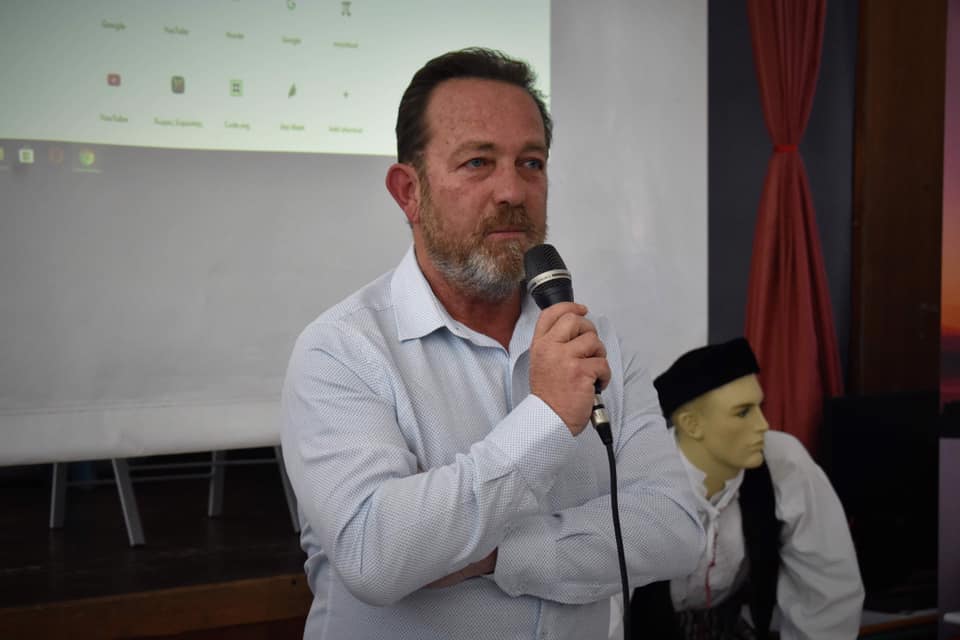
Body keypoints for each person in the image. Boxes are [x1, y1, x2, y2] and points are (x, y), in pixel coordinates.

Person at [280, 47, 704, 640]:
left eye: (531, 163)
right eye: (478, 162)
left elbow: (677, 528)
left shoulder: (593, 340)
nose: (513, 191)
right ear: (408, 192)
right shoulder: (341, 351)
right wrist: (547, 419)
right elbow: (376, 556)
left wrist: (497, 554)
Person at [628, 337, 864, 639]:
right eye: (743, 412)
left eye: (759, 407)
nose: (763, 424)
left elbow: (827, 586)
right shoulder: (635, 481)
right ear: (691, 425)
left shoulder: (783, 462)